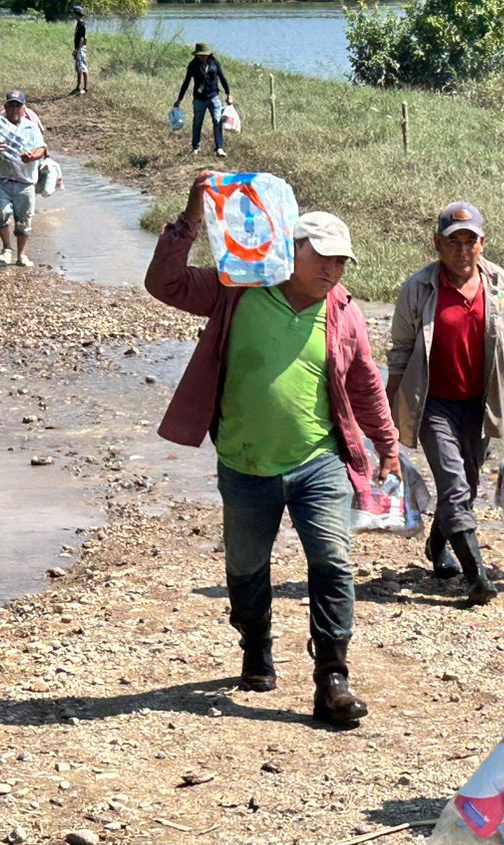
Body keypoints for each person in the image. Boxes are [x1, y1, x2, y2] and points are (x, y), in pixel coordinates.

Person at [145, 172, 401, 727]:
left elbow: (364, 382)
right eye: (322, 257)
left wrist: (388, 443)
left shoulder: (343, 311)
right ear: (289, 246)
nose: (331, 270)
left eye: (341, 262)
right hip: (245, 463)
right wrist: (191, 214)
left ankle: (332, 677)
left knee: (333, 563)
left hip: (319, 461)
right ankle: (255, 642)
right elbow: (164, 284)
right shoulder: (237, 289)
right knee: (245, 568)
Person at [386, 202, 504, 606]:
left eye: (470, 241)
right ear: (438, 244)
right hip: (433, 404)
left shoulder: (498, 283)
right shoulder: (419, 288)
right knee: (454, 485)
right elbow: (400, 350)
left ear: (482, 243)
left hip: (479, 404)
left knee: (466, 487)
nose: (462, 250)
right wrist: (389, 404)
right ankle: (477, 577)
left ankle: (437, 546)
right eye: (453, 242)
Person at [0, 90, 47, 266]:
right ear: (5, 106)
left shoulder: (31, 127)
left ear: (23, 108)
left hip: (24, 182)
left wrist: (32, 157)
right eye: (11, 104)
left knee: (23, 220)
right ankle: (7, 248)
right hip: (2, 180)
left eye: (18, 105)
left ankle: (22, 255)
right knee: (0, 215)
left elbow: (42, 149)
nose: (14, 108)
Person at [176, 44, 231, 158]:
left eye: (205, 55)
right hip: (199, 99)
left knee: (217, 120)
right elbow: (186, 82)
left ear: (209, 54)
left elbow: (222, 78)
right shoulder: (193, 65)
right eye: (201, 55)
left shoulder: (215, 63)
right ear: (197, 55)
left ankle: (219, 148)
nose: (203, 57)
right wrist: (179, 99)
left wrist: (228, 94)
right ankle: (196, 148)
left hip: (214, 97)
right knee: (197, 122)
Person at [71, 5, 89, 96]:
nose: (72, 15)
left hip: (81, 48)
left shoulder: (82, 24)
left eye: (73, 13)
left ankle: (85, 88)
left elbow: (82, 39)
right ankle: (78, 87)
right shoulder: (78, 23)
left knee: (83, 68)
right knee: (79, 68)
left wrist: (77, 50)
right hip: (79, 48)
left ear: (77, 14)